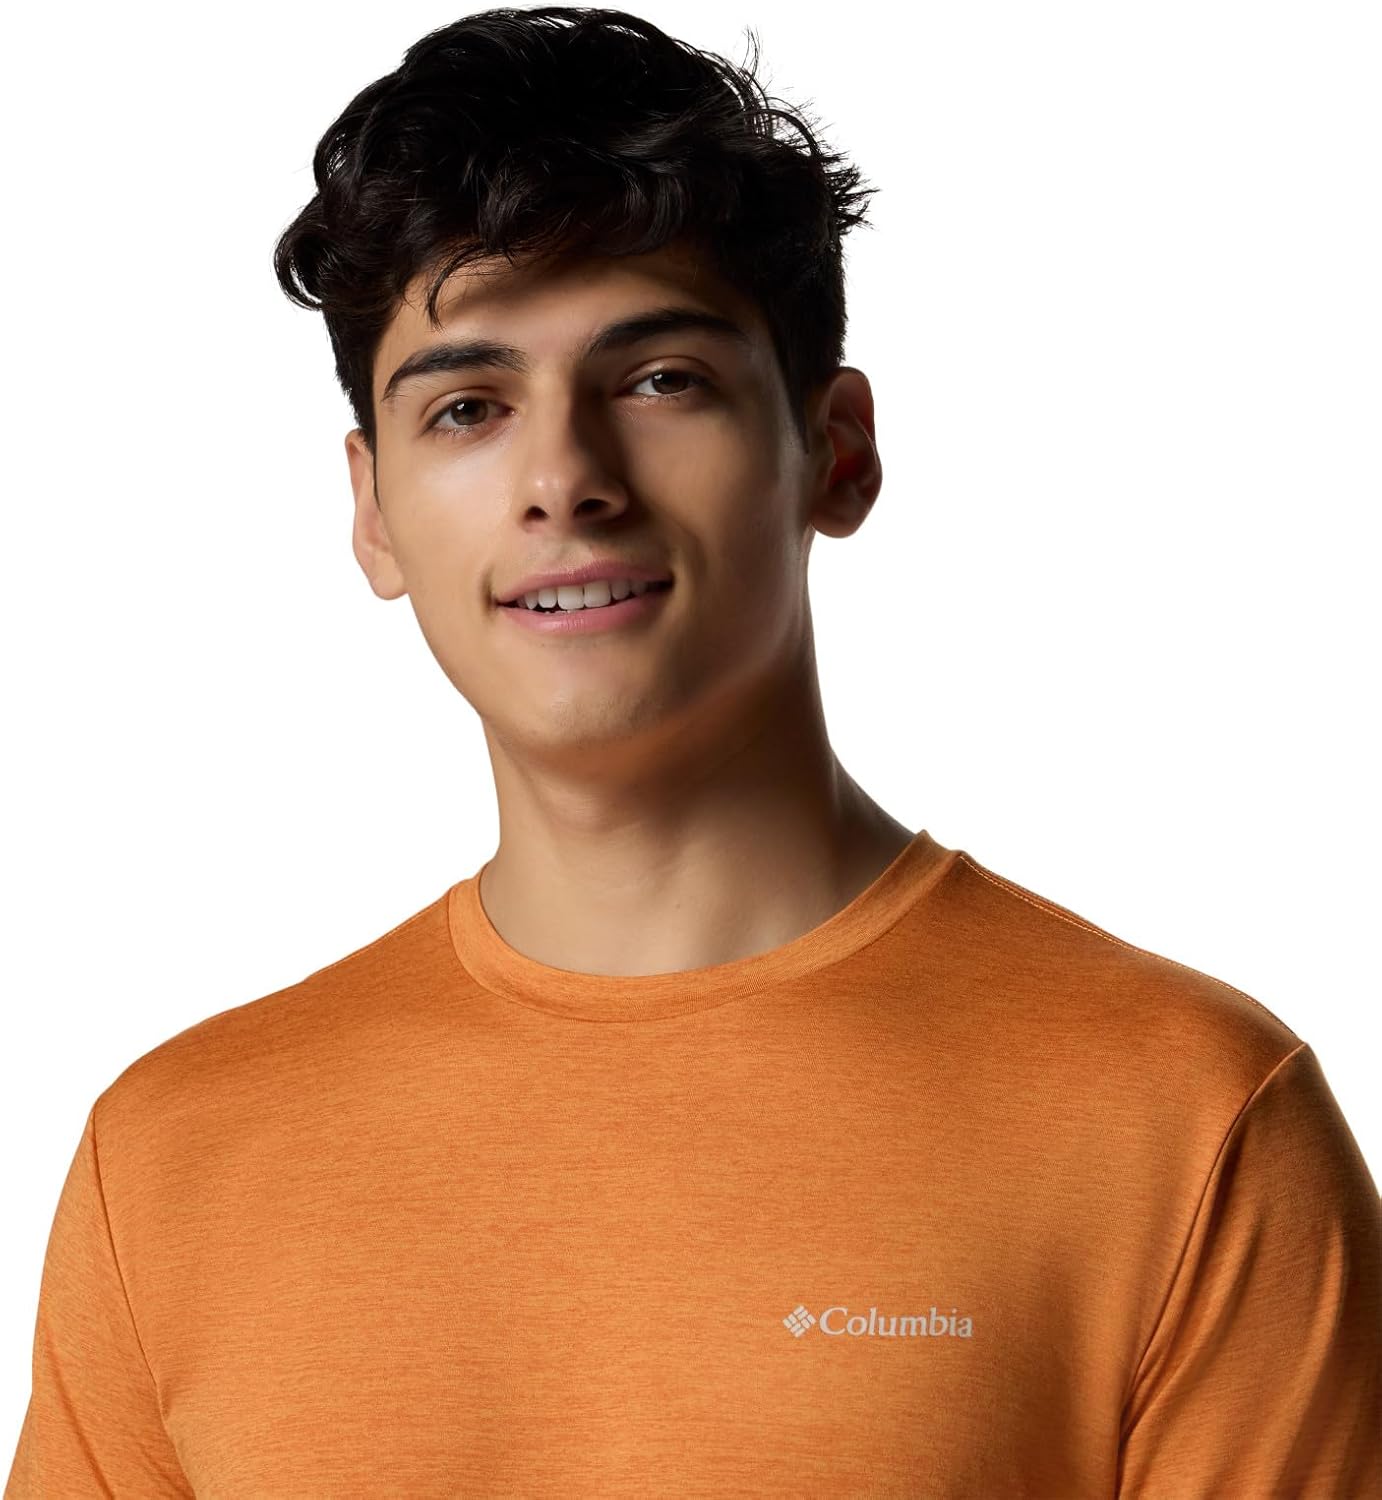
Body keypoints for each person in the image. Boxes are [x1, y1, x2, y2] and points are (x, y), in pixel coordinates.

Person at [5, 7, 1379, 1496]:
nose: (564, 480)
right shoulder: (172, 1161)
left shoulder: (1184, 1120)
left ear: (834, 450)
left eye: (659, 379)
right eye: (467, 409)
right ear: (375, 511)